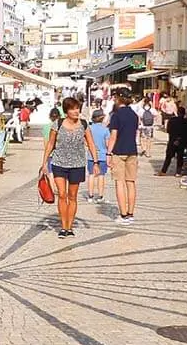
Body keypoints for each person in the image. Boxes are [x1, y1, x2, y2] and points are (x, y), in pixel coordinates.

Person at [40, 97, 99, 239]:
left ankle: (70, 227)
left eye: (77, 108)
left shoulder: (84, 125)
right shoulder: (57, 124)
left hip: (77, 164)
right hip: (59, 163)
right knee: (61, 194)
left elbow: (91, 144)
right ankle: (63, 226)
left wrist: (95, 162)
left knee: (72, 196)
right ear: (66, 111)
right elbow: (50, 144)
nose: (76, 111)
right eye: (72, 109)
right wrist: (44, 163)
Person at [107, 89, 140, 224]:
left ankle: (123, 214)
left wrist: (108, 153)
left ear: (118, 99)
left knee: (119, 182)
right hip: (132, 150)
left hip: (119, 151)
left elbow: (113, 136)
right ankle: (131, 213)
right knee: (131, 182)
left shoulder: (116, 115)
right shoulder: (134, 115)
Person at [87, 108, 110, 202]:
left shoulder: (89, 129)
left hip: (91, 155)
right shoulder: (105, 130)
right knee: (101, 175)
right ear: (102, 118)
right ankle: (100, 196)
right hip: (102, 155)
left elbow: (85, 141)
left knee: (91, 175)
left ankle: (90, 196)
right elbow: (108, 144)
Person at [158, 106, 186, 176]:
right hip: (181, 141)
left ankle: (164, 171)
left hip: (172, 140)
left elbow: (168, 130)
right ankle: (178, 172)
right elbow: (186, 132)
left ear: (177, 112)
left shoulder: (172, 120)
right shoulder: (185, 121)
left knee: (168, 157)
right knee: (180, 157)